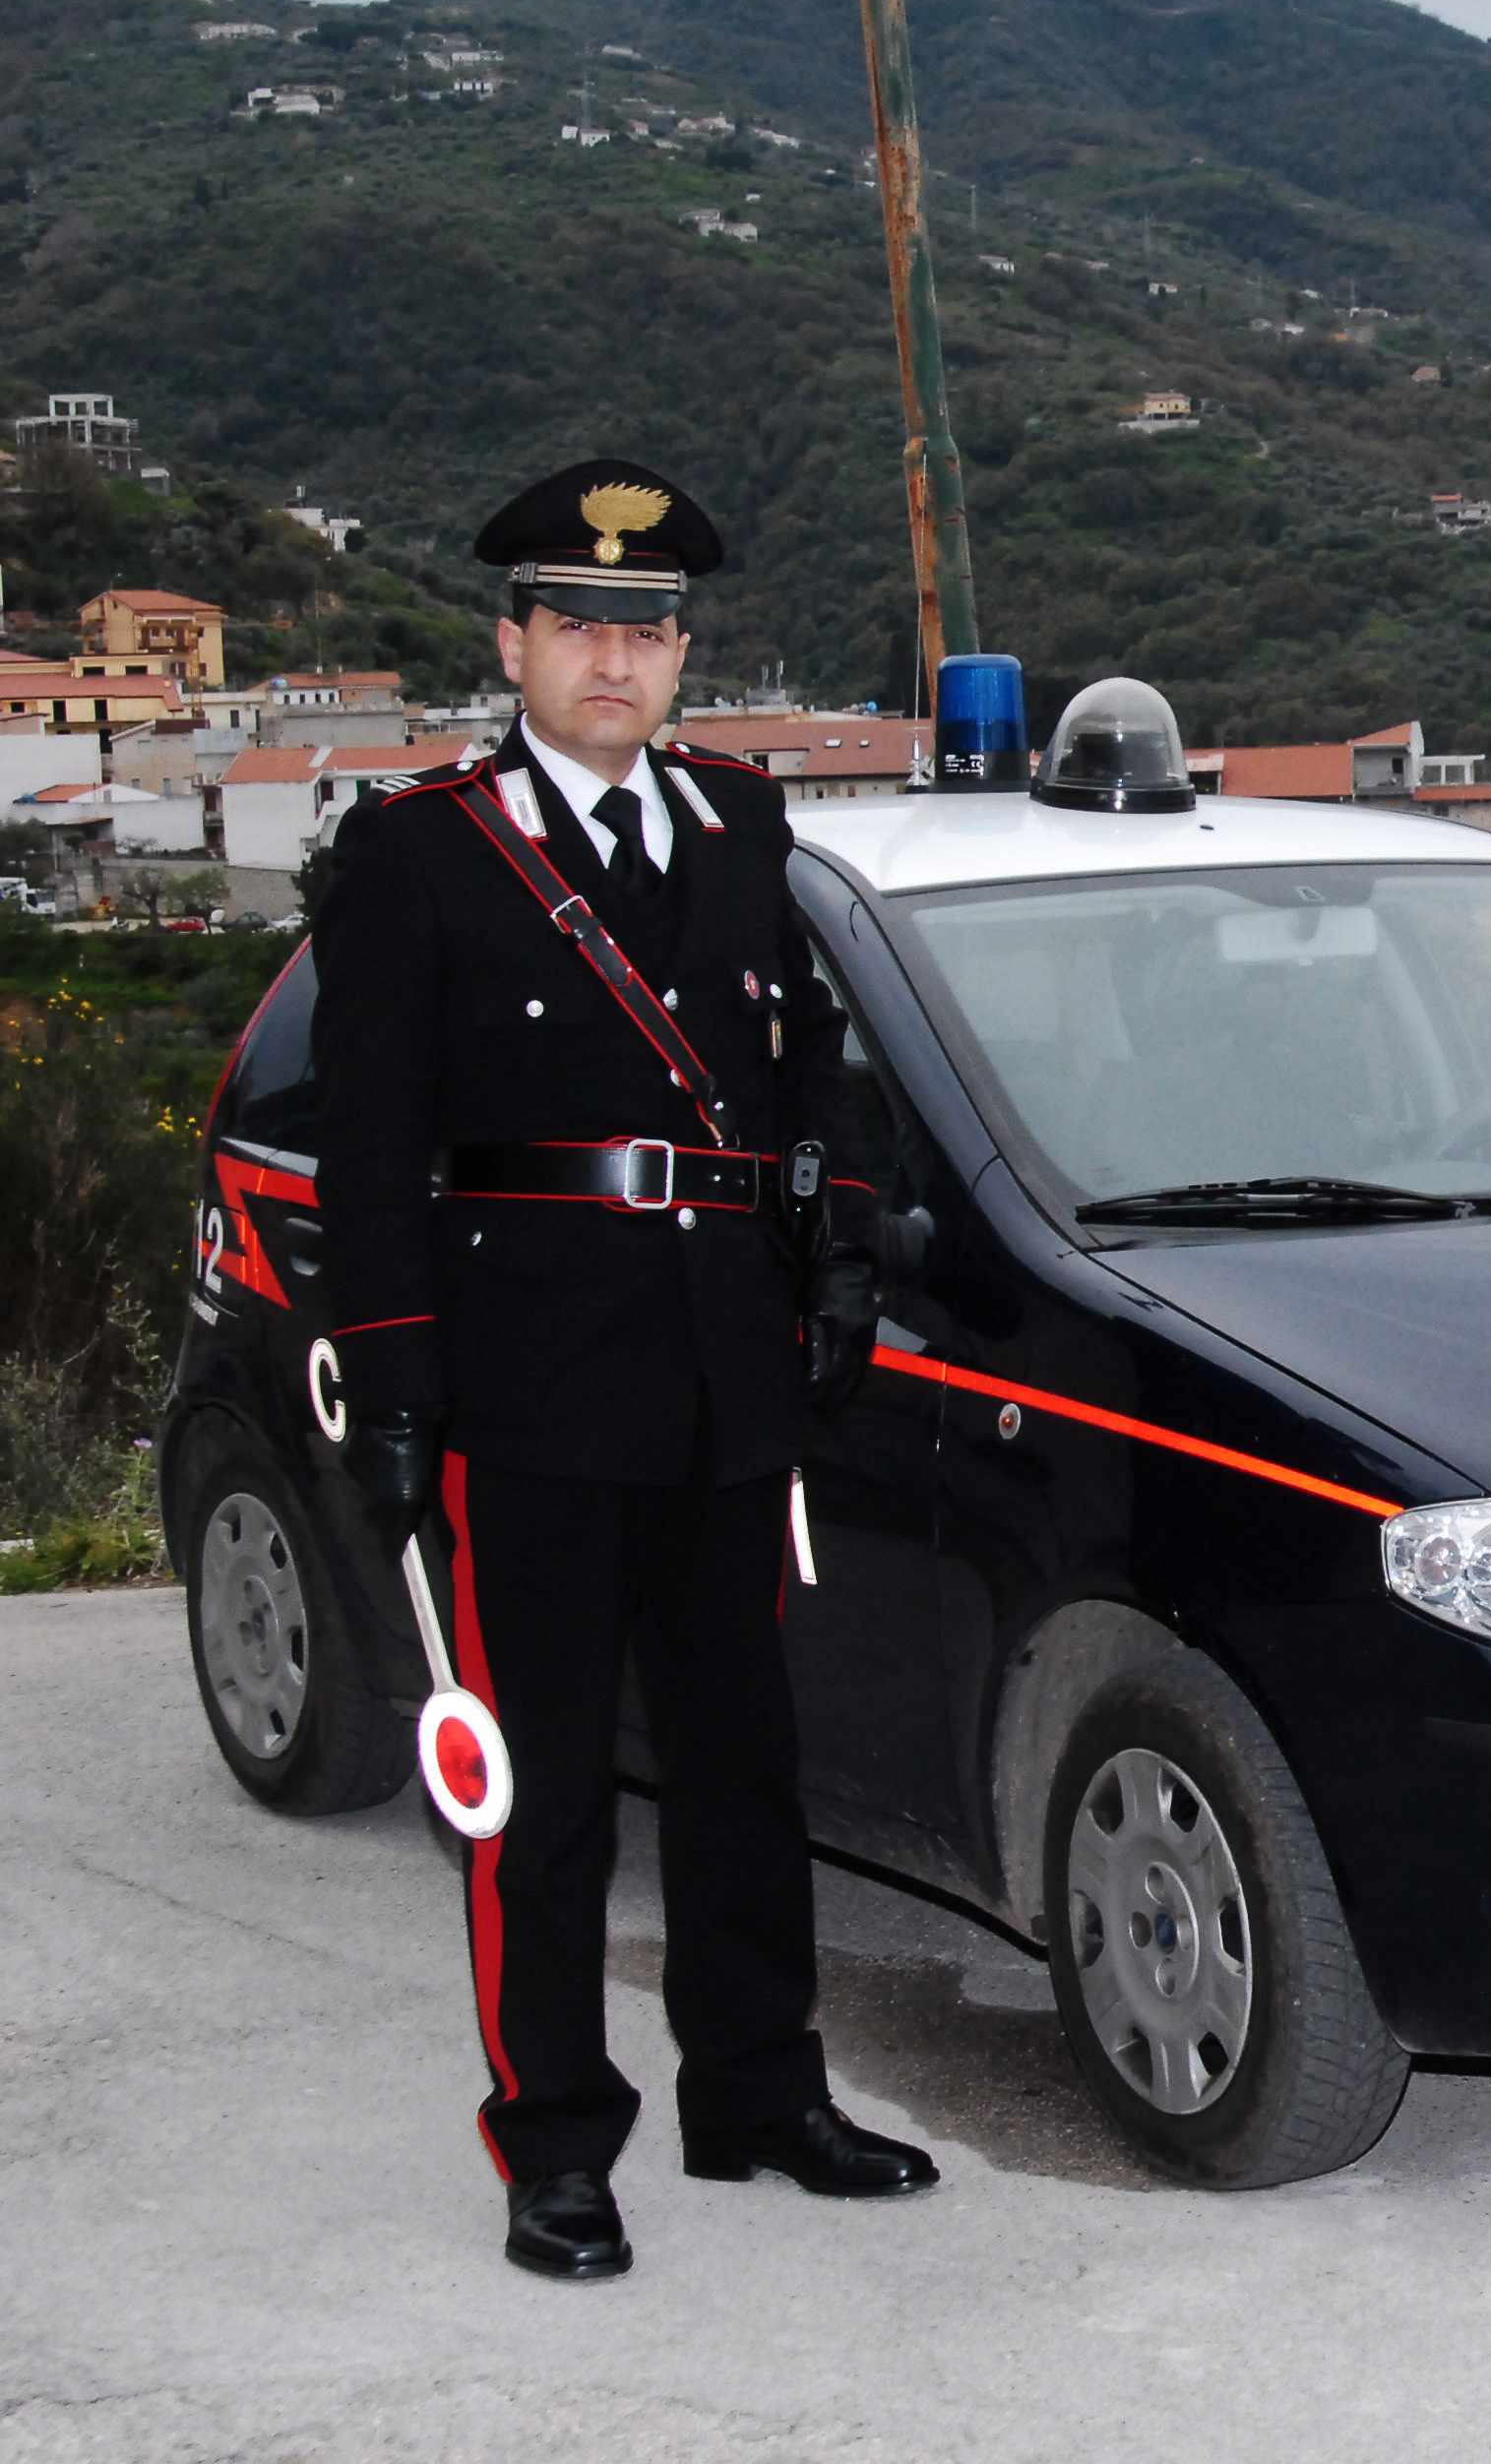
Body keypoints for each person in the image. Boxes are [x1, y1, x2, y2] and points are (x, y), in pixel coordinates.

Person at [310, 459, 934, 2283]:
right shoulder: (423, 850)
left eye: (646, 628)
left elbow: (813, 1077)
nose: (613, 655)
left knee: (746, 1765)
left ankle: (758, 2091)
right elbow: (370, 1155)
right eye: (577, 621)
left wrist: (837, 1252)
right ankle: (555, 2136)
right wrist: (400, 1386)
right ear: (511, 641)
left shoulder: (743, 832)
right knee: (548, 1787)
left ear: (682, 655)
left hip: (726, 1378)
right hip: (529, 1387)